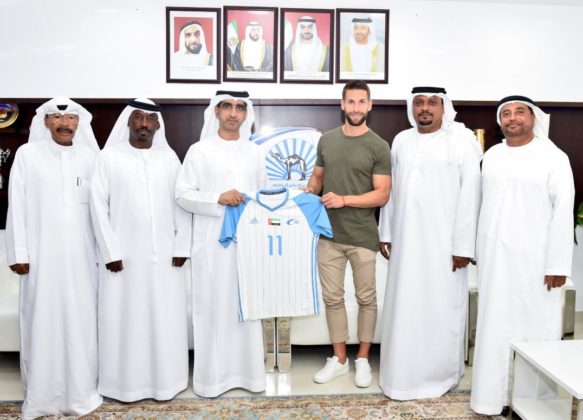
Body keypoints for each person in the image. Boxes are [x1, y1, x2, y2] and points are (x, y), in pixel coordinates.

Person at [470, 96, 574, 415]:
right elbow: (482, 205)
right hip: (495, 260)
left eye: (519, 112)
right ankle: (492, 397)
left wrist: (557, 264)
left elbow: (563, 210)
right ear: (500, 121)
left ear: (533, 118)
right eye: (506, 113)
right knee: (494, 325)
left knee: (535, 326)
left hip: (536, 261)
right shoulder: (492, 155)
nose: (512, 118)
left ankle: (533, 403)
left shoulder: (553, 157)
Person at [377, 87, 481, 400]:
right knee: (405, 305)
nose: (425, 108)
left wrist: (463, 247)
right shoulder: (401, 140)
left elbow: (471, 196)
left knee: (440, 308)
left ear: (443, 107)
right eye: (419, 102)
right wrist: (386, 232)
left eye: (432, 103)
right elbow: (393, 191)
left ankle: (439, 376)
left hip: (444, 247)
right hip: (406, 242)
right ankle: (401, 374)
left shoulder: (462, 142)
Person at [5, 97, 102, 419]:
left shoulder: (90, 157)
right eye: (58, 118)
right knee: (41, 322)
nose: (65, 123)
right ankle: (42, 397)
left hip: (83, 260)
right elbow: (16, 205)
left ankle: (81, 391)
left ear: (79, 123)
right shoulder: (27, 155)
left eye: (72, 118)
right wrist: (18, 252)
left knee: (81, 323)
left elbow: (101, 211)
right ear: (46, 122)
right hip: (40, 259)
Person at [90, 98, 191, 402]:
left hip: (166, 258)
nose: (144, 124)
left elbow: (181, 203)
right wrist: (110, 251)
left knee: (165, 319)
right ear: (128, 122)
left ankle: (167, 382)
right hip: (122, 260)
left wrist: (181, 246)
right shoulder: (109, 157)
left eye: (150, 119)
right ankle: (124, 385)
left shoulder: (169, 158)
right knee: (124, 320)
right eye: (138, 117)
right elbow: (98, 206)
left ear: (158, 125)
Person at [175, 90, 266, 397]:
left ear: (246, 113)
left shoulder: (255, 152)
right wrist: (218, 198)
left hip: (248, 243)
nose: (233, 113)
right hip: (211, 245)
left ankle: (250, 376)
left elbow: (263, 195)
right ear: (216, 111)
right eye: (227, 106)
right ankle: (211, 380)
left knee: (246, 308)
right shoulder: (199, 151)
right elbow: (182, 195)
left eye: (239, 107)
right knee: (212, 309)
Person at [306, 80, 391, 388]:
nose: (356, 108)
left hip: (363, 236)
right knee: (332, 299)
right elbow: (318, 178)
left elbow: (382, 195)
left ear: (369, 105)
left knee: (367, 298)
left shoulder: (379, 146)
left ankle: (363, 359)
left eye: (361, 102)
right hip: (328, 235)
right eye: (350, 102)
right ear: (342, 104)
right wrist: (310, 191)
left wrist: (344, 200)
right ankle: (340, 360)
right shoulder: (327, 140)